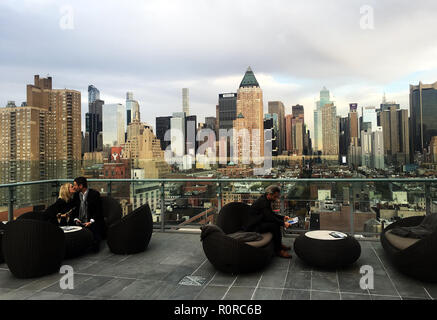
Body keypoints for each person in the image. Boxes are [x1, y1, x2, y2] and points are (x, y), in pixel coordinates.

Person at [243, 185, 292, 259]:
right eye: (275, 197)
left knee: (275, 224)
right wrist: (283, 223)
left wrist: (282, 218)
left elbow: (270, 214)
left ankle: (279, 245)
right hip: (254, 227)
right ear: (269, 194)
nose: (276, 199)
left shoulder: (266, 200)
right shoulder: (263, 202)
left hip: (259, 222)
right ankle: (278, 250)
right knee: (275, 226)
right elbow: (269, 217)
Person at [71, 177, 104, 252]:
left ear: (81, 186)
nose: (74, 187)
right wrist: (76, 219)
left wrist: (90, 222)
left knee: (94, 230)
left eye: (75, 185)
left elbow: (98, 211)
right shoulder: (76, 195)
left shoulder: (94, 194)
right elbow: (74, 210)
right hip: (80, 220)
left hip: (91, 220)